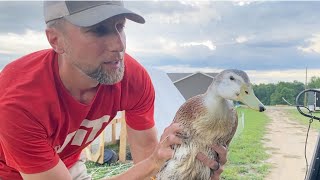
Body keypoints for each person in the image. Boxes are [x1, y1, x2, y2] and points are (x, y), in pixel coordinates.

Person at [0, 1, 227, 180]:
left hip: (67, 162)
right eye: (98, 30)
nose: (118, 45)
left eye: (120, 27)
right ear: (56, 40)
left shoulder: (132, 78)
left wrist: (191, 170)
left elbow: (147, 163)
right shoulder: (18, 102)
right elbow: (150, 164)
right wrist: (152, 163)